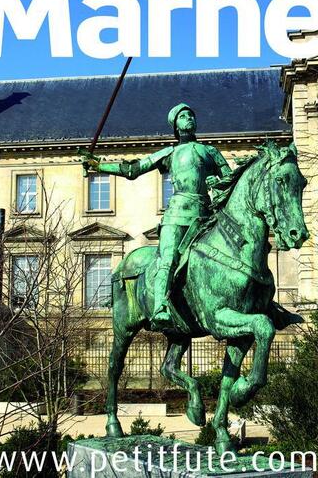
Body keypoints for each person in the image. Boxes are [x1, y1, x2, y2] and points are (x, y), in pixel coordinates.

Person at [82, 103, 231, 323]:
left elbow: (230, 181)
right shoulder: (170, 153)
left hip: (206, 217)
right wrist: (99, 166)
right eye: (183, 116)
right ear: (176, 126)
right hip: (177, 216)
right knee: (168, 258)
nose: (189, 118)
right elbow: (133, 169)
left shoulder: (210, 152)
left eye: (191, 115)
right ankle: (161, 306)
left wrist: (218, 185)